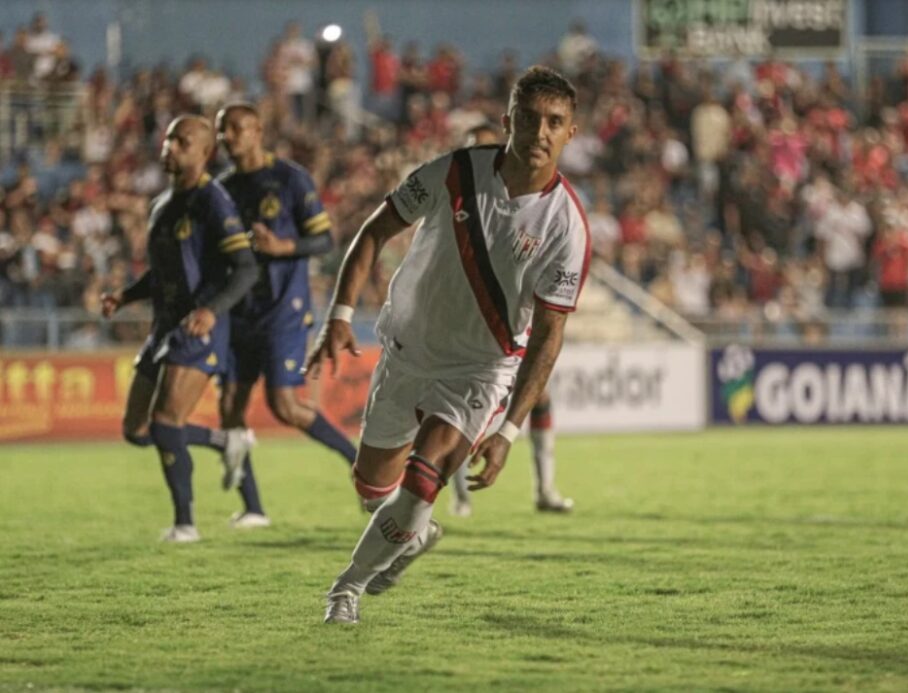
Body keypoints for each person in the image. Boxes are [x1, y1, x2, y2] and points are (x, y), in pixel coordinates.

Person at [306, 66, 590, 624]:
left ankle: (346, 589)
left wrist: (509, 430)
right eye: (530, 119)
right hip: (407, 352)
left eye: (555, 122)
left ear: (570, 134)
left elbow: (550, 337)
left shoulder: (567, 227)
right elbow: (373, 232)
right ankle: (410, 534)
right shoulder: (454, 171)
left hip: (480, 370)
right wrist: (339, 314)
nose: (540, 132)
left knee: (425, 473)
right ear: (508, 121)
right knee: (373, 490)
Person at [101, 115, 259, 542]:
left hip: (199, 326)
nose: (169, 146)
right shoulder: (162, 205)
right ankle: (225, 443)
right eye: (169, 137)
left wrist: (212, 309)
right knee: (136, 431)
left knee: (167, 420)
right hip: (164, 327)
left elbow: (246, 269)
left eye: (182, 141)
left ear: (205, 152)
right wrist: (126, 296)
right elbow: (162, 273)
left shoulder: (214, 201)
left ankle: (185, 524)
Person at [214, 103, 358, 528]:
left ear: (258, 131)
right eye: (223, 131)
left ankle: (359, 463)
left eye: (238, 129)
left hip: (282, 311)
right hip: (239, 312)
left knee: (285, 406)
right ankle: (253, 507)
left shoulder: (290, 178)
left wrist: (283, 248)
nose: (230, 138)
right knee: (229, 407)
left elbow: (325, 239)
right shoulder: (221, 189)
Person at [448, 123, 573, 517]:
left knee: (540, 396)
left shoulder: (528, 202)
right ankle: (460, 496)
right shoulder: (455, 201)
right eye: (474, 150)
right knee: (456, 409)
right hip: (465, 324)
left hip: (516, 321)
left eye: (488, 149)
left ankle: (545, 489)